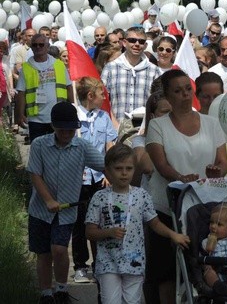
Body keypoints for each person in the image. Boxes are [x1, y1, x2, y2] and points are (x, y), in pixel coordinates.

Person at [145, 69, 227, 303]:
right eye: (177, 90)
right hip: (167, 207)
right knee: (167, 271)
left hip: (203, 206)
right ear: (167, 96)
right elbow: (161, 166)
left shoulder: (212, 124)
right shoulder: (158, 126)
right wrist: (181, 178)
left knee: (205, 265)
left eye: (187, 89)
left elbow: (223, 163)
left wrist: (215, 172)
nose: (184, 94)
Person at [85, 144, 190, 304]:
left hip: (134, 262)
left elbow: (154, 223)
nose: (124, 173)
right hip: (108, 263)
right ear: (107, 171)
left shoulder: (142, 195)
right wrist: (108, 232)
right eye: (118, 168)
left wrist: (173, 234)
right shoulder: (99, 197)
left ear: (135, 169)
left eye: (129, 168)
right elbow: (90, 232)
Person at [27, 101, 105, 304]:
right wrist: (48, 200)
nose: (67, 133)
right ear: (53, 126)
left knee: (60, 249)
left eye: (71, 130)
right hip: (40, 210)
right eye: (62, 129)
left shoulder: (81, 146)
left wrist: (122, 173)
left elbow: (105, 164)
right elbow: (35, 174)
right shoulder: (39, 145)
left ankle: (61, 289)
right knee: (43, 253)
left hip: (66, 212)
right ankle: (46, 293)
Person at [72, 77, 118, 284]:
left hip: (100, 178)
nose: (104, 98)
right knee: (80, 223)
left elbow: (109, 145)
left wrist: (108, 172)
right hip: (79, 180)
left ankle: (99, 262)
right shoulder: (73, 117)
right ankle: (80, 265)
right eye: (101, 94)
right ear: (90, 96)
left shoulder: (103, 117)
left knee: (99, 222)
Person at [16, 34, 73, 142]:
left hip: (58, 116)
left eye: (41, 45)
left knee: (57, 150)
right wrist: (20, 114)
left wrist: (73, 108)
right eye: (35, 45)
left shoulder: (59, 65)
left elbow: (69, 87)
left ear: (47, 47)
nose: (38, 47)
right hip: (35, 119)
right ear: (31, 47)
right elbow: (21, 93)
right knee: (38, 151)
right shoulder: (26, 68)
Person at [101, 27, 161, 129]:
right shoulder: (110, 68)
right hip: (116, 129)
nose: (137, 44)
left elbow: (159, 103)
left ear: (145, 45)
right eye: (132, 40)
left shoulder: (154, 71)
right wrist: (114, 125)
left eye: (141, 41)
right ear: (124, 43)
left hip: (145, 130)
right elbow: (102, 100)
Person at [0, 40, 15, 126]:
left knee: (3, 107)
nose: (1, 53)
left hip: (4, 88)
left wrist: (11, 88)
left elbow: (9, 74)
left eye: (2, 51)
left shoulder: (6, 59)